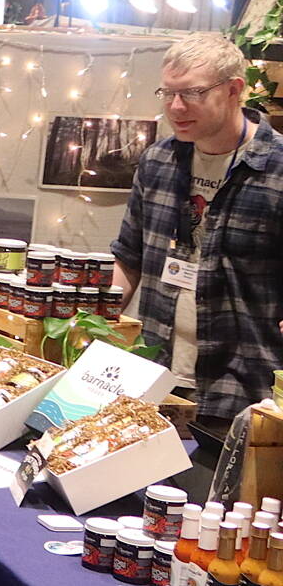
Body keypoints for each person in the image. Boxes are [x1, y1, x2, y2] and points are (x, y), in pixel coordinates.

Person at [111, 31, 283, 427]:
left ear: (233, 90)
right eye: (167, 93)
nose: (175, 107)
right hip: (154, 376)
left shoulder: (276, 169)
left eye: (192, 93)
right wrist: (91, 325)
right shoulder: (158, 162)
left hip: (243, 390)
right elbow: (128, 259)